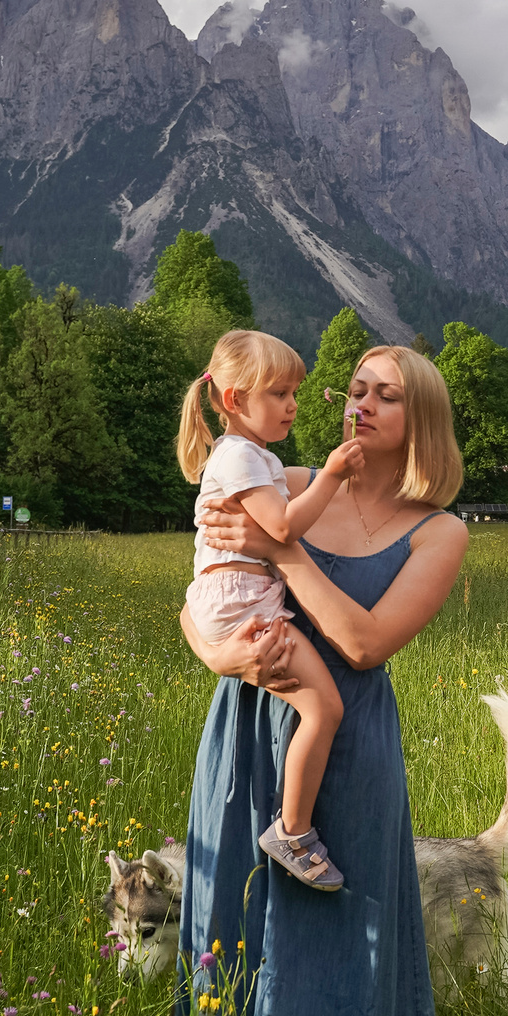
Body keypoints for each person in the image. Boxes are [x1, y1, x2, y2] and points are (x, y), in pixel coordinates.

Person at [175, 343, 470, 1016]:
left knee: (346, 931)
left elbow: (361, 640)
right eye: (357, 391)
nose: (360, 405)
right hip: (247, 717)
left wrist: (285, 554)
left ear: (424, 421)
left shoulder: (439, 531)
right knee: (233, 922)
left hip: (348, 743)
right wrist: (221, 656)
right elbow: (201, 596)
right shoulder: (291, 479)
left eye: (387, 396)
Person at [177, 328, 362, 891]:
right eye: (279, 393)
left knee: (317, 707)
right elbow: (282, 529)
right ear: (235, 401)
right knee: (324, 709)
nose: (292, 405)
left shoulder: (249, 457)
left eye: (295, 392)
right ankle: (293, 830)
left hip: (226, 596)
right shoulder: (242, 459)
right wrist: (330, 474)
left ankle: (291, 825)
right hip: (242, 601)